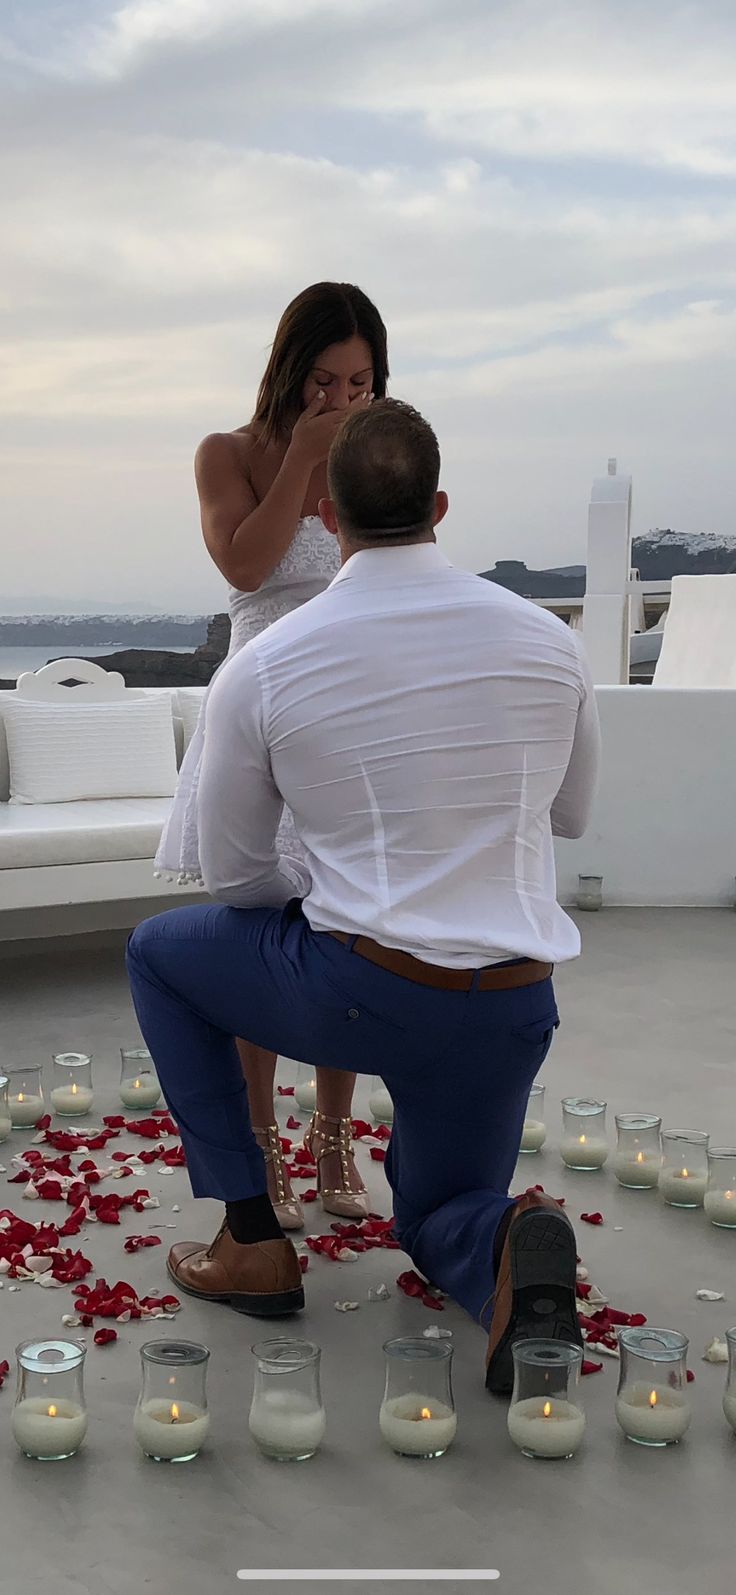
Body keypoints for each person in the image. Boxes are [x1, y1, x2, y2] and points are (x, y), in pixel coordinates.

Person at [128, 399, 601, 1394]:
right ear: (438, 505)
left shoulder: (263, 665)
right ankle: (508, 1238)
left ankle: (252, 1235)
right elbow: (569, 816)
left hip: (361, 995)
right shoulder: (548, 644)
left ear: (327, 517)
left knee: (161, 954)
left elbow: (236, 877)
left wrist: (321, 896)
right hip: (513, 1001)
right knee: (432, 1217)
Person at [156, 282, 391, 1230]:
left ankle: (332, 1134)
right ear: (290, 374)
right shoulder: (231, 453)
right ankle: (260, 1141)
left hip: (345, 705)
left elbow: (391, 568)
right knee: (260, 923)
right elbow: (245, 567)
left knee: (344, 920)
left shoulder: (380, 456)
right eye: (327, 380)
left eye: (362, 381)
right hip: (256, 701)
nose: (342, 400)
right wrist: (301, 458)